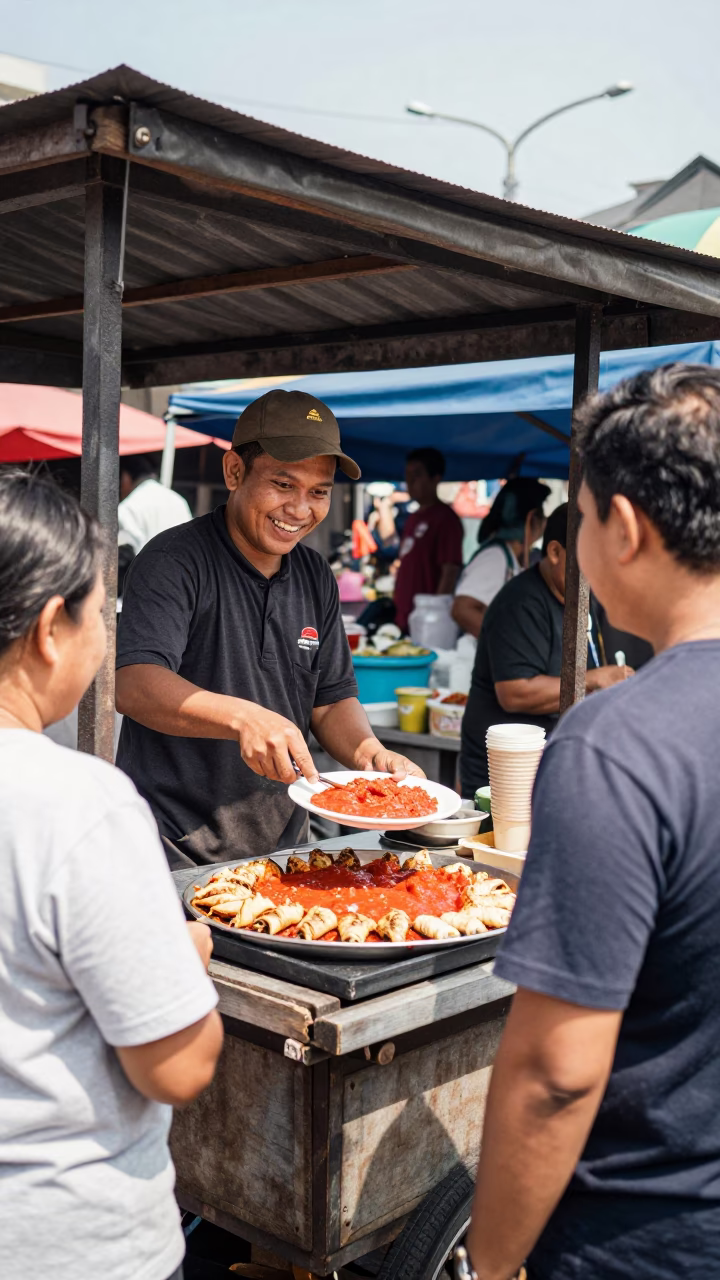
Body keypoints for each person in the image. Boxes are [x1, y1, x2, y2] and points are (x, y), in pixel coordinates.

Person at [464, 363, 720, 1280]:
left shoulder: (616, 742)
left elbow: (555, 1073)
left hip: (646, 1237)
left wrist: (489, 1266)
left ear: (622, 525)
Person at [0, 470, 223, 1280]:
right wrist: (185, 959)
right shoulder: (79, 804)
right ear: (53, 627)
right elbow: (178, 1064)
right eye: (103, 614)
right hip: (67, 1243)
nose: (106, 640)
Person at [116, 390, 421, 867]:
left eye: (319, 491)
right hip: (170, 847)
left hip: (285, 848)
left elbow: (332, 700)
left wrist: (371, 756)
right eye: (283, 484)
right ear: (234, 471)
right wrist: (244, 719)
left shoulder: (316, 574)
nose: (300, 509)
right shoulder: (173, 560)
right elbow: (134, 684)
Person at [460, 503, 629, 796]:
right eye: (590, 557)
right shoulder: (520, 603)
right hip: (508, 777)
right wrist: (596, 679)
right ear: (554, 552)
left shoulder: (584, 595)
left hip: (558, 764)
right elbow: (515, 692)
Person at [451, 478, 550, 639]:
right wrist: (507, 642)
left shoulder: (516, 558)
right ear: (531, 518)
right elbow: (462, 610)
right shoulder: (495, 558)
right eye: (542, 514)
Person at [393, 446, 464, 634]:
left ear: (435, 478)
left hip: (426, 621)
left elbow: (450, 570)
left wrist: (435, 616)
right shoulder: (413, 517)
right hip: (404, 615)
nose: (410, 481)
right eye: (407, 475)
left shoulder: (445, 519)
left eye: (417, 475)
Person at [118, 454, 192, 557]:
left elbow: (126, 553)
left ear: (125, 477)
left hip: (146, 570)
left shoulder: (129, 506)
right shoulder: (178, 500)